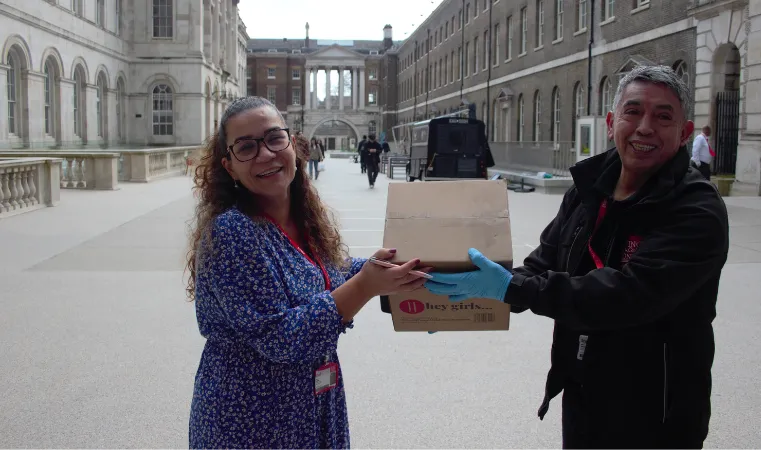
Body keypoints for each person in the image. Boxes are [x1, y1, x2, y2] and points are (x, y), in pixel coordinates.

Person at [425, 66, 729, 448]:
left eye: (663, 116)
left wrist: (511, 288)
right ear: (610, 121)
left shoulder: (697, 209)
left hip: (657, 411)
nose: (645, 126)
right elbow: (542, 265)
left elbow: (627, 295)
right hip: (583, 391)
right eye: (632, 112)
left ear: (685, 133)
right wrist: (462, 302)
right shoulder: (589, 190)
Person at [185, 96, 428, 448]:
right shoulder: (231, 231)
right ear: (228, 165)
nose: (265, 154)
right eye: (247, 147)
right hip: (252, 415)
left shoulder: (301, 218)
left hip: (312, 399)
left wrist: (387, 269)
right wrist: (366, 285)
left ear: (292, 144)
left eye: (273, 138)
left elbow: (327, 274)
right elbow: (279, 336)